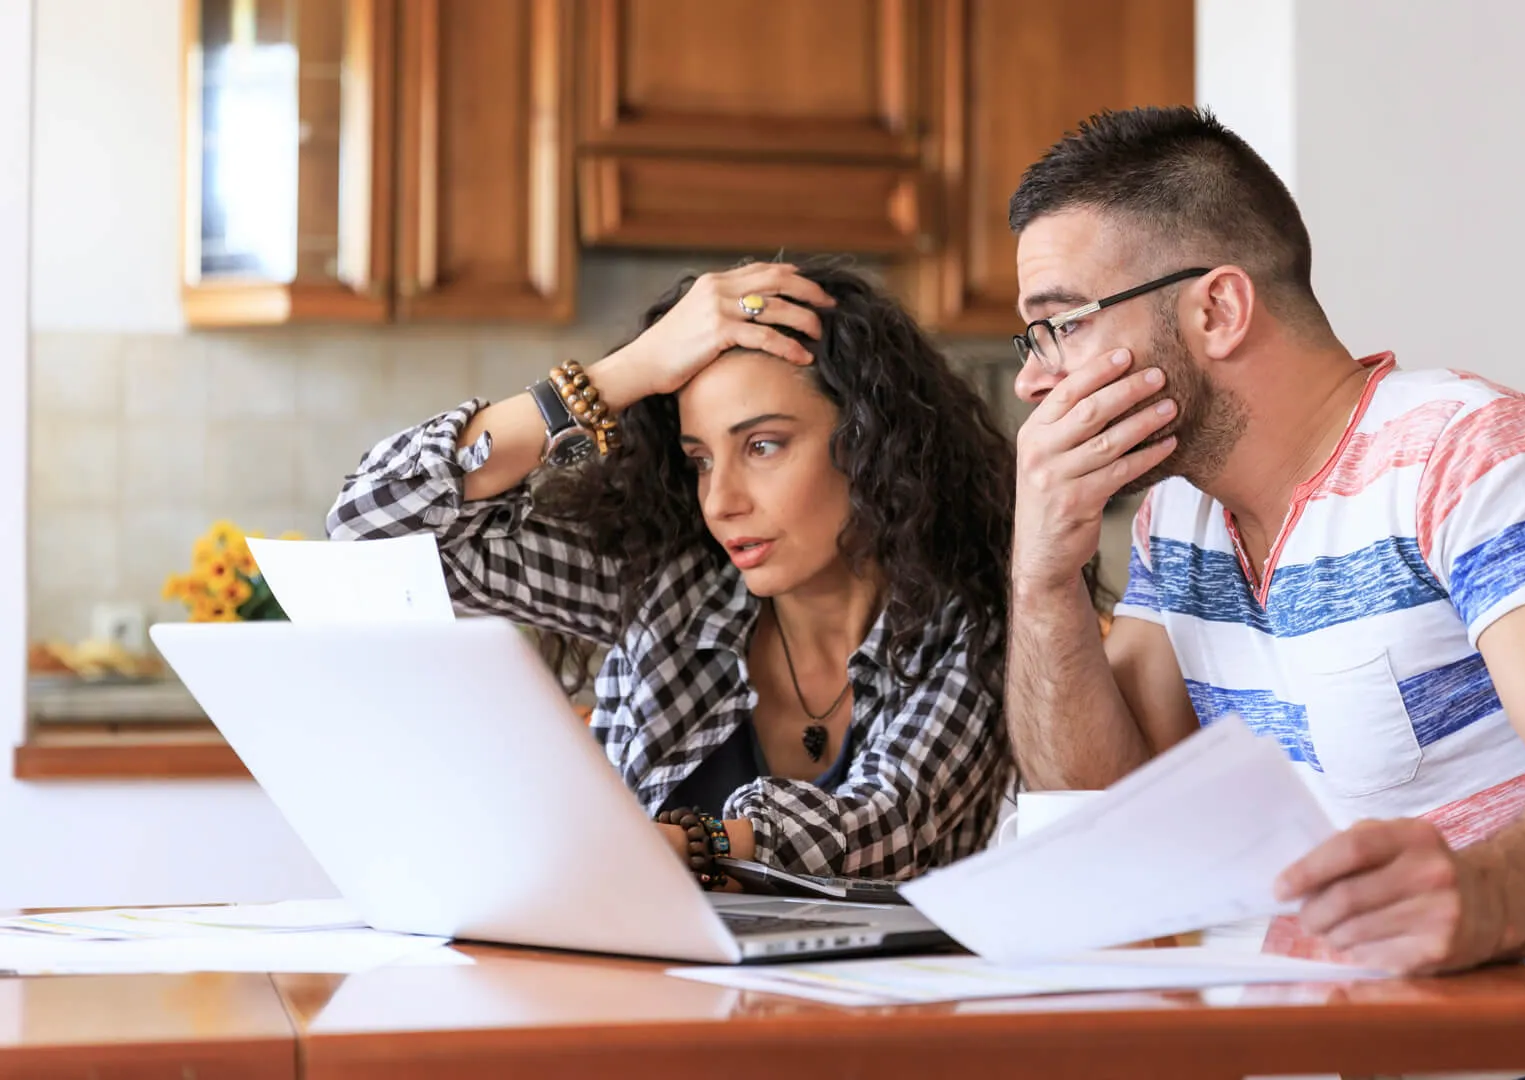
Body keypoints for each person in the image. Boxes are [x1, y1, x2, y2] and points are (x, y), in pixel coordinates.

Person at [1002, 106, 1525, 1079]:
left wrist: (1478, 897)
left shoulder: (1484, 460)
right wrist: (1041, 581)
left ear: (1217, 310)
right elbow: (1110, 826)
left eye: (1058, 326)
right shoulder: (1180, 523)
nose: (1037, 382)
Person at [327, 261, 1014, 885]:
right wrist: (618, 376)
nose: (722, 500)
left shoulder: (975, 623)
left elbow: (886, 828)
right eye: (700, 459)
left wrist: (672, 844)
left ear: (870, 443)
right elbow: (368, 529)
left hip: (896, 1016)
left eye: (763, 445)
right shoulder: (671, 591)